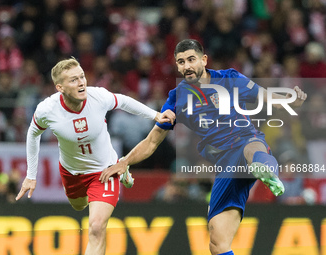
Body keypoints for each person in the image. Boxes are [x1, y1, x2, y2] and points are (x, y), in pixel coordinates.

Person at [100, 39, 307, 255]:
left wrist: (290, 100)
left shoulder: (230, 79)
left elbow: (265, 96)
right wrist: (124, 161)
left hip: (245, 142)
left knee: (251, 148)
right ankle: (263, 168)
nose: (186, 66)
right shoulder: (177, 98)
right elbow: (152, 141)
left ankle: (267, 170)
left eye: (191, 59)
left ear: (204, 60)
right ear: (177, 66)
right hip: (225, 166)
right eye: (181, 62)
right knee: (218, 243)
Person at [15, 57, 174, 255]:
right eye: (73, 80)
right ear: (60, 87)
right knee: (78, 206)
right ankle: (122, 173)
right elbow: (32, 134)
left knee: (96, 227)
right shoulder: (47, 109)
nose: (81, 82)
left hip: (104, 170)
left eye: (82, 76)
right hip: (72, 172)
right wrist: (31, 175)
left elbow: (123, 101)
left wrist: (156, 115)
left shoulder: (98, 97)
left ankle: (120, 168)